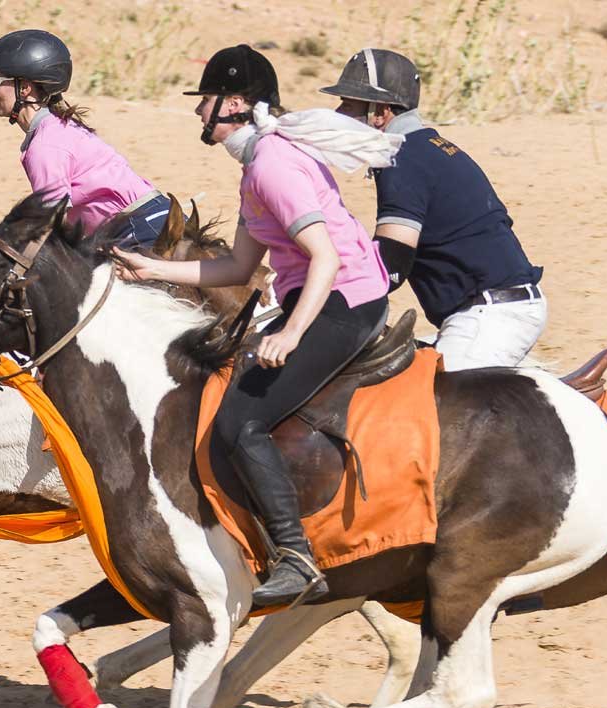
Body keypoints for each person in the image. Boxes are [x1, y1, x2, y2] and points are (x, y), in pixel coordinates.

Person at [116, 44, 401, 606]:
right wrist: (152, 266)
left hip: (345, 302)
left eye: (207, 101)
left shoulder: (272, 164)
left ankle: (296, 557)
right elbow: (238, 268)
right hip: (327, 296)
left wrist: (290, 334)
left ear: (238, 104)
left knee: (240, 424)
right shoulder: (257, 166)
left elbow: (326, 257)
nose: (200, 112)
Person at [323, 49, 547, 370]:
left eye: (349, 104)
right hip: (496, 307)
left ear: (381, 113)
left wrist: (329, 291)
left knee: (430, 407)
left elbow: (393, 260)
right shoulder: (428, 147)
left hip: (491, 316)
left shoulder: (403, 159)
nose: (339, 112)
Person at [0, 29, 170, 248]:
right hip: (147, 222)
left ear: (26, 88)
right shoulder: (56, 128)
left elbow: (52, 223)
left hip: (139, 230)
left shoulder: (45, 145)